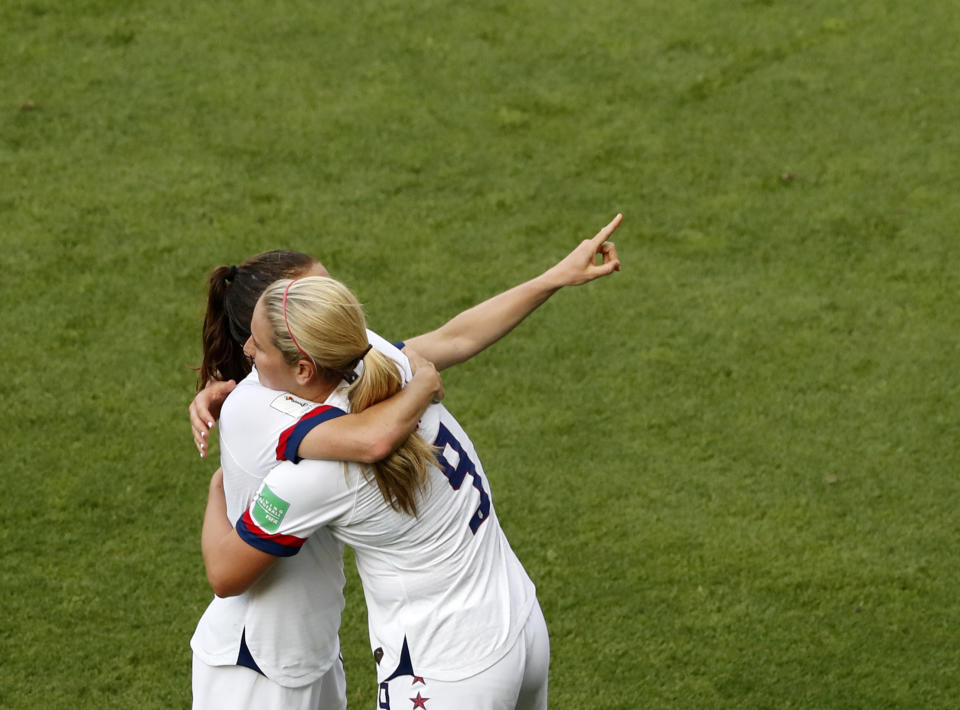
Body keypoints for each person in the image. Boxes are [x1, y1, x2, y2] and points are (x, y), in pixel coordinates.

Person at [189, 215, 622, 709]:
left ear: (305, 365)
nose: (245, 356)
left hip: (442, 671)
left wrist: (217, 488)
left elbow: (226, 573)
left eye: (257, 348)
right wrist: (551, 279)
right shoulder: (388, 367)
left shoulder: (313, 472)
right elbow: (453, 341)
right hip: (520, 625)